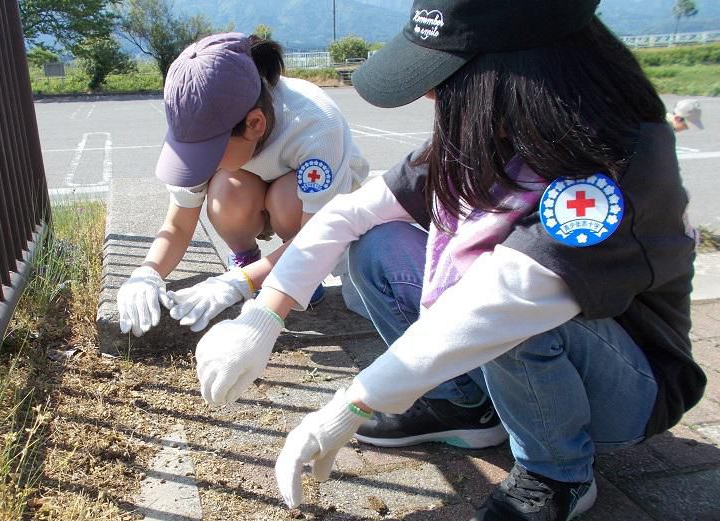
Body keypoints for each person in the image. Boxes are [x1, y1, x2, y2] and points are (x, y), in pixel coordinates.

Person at [193, 1, 707, 519]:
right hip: (515, 322)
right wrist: (262, 317)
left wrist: (354, 401)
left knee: (500, 307)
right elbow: (350, 213)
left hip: (624, 392)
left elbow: (506, 300)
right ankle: (462, 402)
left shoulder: (617, 168)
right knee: (376, 245)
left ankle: (558, 471)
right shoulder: (490, 138)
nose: (429, 94)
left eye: (443, 77)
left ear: (509, 75)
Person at [116, 32, 368, 337]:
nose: (201, 164)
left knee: (287, 201)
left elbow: (318, 236)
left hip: (315, 208)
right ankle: (249, 261)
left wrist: (240, 284)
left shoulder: (316, 125)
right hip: (253, 185)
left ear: (255, 124)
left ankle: (297, 279)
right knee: (224, 192)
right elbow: (179, 225)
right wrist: (147, 271)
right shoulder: (200, 118)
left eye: (210, 152)